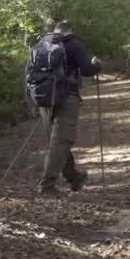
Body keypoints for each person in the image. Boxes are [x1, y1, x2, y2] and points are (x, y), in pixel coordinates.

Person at [35, 20, 101, 195]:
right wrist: (97, 65)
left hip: (44, 98)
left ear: (55, 30)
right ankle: (47, 186)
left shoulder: (43, 43)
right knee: (61, 141)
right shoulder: (75, 44)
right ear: (70, 30)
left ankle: (74, 177)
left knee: (57, 140)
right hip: (66, 97)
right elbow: (86, 70)